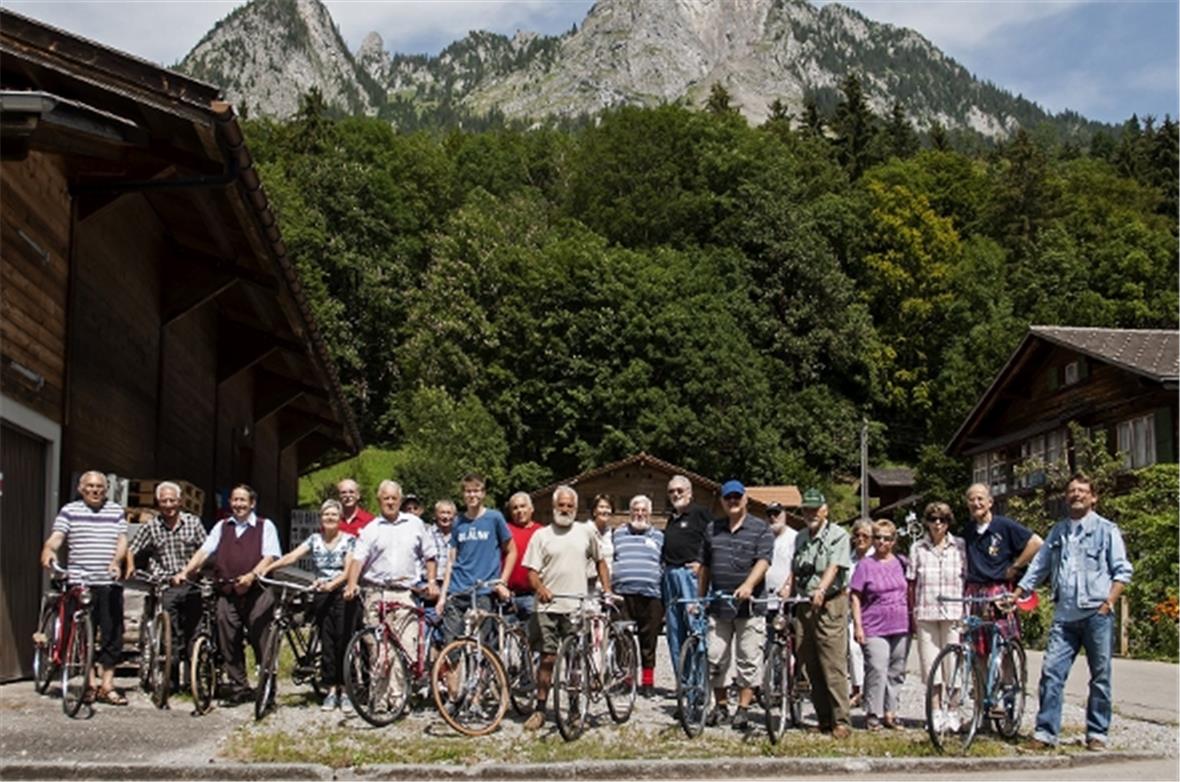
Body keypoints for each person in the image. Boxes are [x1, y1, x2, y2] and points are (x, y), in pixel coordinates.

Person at [1015, 474, 1133, 751]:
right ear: (1066, 498)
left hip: (1096, 615)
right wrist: (1020, 591)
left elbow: (1123, 570)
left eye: (1082, 491)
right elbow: (1039, 565)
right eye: (1072, 491)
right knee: (1051, 674)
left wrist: (1108, 604)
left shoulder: (1107, 530)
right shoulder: (1058, 532)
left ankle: (1097, 734)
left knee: (1100, 676)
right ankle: (1045, 734)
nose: (1076, 495)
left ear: (1093, 497)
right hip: (1064, 616)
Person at [174, 483, 281, 702]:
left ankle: (267, 686)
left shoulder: (264, 526)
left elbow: (270, 556)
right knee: (228, 639)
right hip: (227, 590)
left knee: (261, 638)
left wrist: (251, 576)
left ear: (252, 503)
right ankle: (239, 685)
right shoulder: (222, 526)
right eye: (235, 500)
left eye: (243, 500)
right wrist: (186, 571)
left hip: (257, 591)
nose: (238, 504)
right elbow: (205, 550)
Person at [521, 484, 610, 731]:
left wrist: (607, 590)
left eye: (570, 505)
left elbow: (601, 561)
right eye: (562, 505)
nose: (566, 509)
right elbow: (531, 572)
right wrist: (541, 589)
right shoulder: (542, 535)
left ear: (576, 508)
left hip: (575, 606)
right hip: (547, 607)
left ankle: (573, 708)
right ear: (554, 507)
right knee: (547, 658)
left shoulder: (585, 532)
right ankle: (540, 709)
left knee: (574, 660)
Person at [343, 480, 439, 703]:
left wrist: (432, 581)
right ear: (379, 500)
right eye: (386, 498)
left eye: (394, 498)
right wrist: (351, 584)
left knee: (405, 645)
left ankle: (399, 698)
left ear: (400, 500)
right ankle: (379, 697)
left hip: (404, 592)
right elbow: (358, 559)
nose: (390, 502)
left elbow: (430, 555)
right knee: (378, 647)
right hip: (376, 592)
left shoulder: (415, 524)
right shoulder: (371, 529)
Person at [40, 471, 128, 705]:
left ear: (105, 489)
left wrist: (116, 562)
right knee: (80, 634)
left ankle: (107, 685)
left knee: (112, 633)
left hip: (108, 580)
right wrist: (49, 549)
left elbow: (122, 540)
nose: (95, 490)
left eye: (100, 486)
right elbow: (57, 536)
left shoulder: (116, 511)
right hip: (79, 580)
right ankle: (89, 685)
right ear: (81, 488)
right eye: (90, 486)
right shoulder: (70, 510)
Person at [262, 498, 356, 711]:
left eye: (333, 514)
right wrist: (268, 568)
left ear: (340, 518)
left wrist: (332, 584)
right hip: (321, 594)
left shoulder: (349, 540)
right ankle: (331, 689)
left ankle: (346, 690)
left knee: (343, 641)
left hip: (341, 594)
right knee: (327, 642)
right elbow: (292, 556)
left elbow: (349, 570)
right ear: (321, 519)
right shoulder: (314, 539)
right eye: (326, 515)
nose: (330, 518)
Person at [699, 480, 773, 731]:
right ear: (722, 501)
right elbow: (705, 566)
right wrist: (701, 598)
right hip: (719, 605)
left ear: (745, 499)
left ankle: (742, 709)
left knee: (748, 658)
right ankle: (720, 707)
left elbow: (763, 561)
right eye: (728, 498)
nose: (733, 501)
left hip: (749, 607)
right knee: (715, 656)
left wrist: (749, 585)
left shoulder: (760, 528)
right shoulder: (712, 529)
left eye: (737, 497)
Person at [963, 482, 1043, 694]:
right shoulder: (968, 531)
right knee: (978, 650)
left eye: (980, 498)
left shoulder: (1004, 526)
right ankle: (981, 703)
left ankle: (1007, 692)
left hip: (998, 590)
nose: (976, 503)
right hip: (975, 592)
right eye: (971, 499)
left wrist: (1016, 566)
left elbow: (1036, 542)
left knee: (1004, 645)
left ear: (990, 502)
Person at [125, 480, 207, 683]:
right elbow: (131, 548)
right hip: (166, 583)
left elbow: (206, 549)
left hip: (191, 582)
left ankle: (192, 678)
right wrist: (129, 566)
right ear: (158, 503)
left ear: (179, 502)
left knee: (193, 630)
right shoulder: (152, 526)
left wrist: (195, 571)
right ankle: (171, 679)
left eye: (172, 500)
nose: (168, 505)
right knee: (171, 634)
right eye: (164, 501)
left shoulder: (193, 523)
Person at [789, 488, 852, 738]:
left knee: (832, 663)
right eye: (806, 509)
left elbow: (835, 566)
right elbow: (797, 566)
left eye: (815, 509)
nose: (810, 513)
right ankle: (824, 718)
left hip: (829, 603)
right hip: (804, 603)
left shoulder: (838, 535)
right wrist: (787, 586)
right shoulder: (800, 536)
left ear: (825, 510)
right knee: (809, 661)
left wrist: (822, 589)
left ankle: (841, 720)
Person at [907, 501, 967, 732]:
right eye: (933, 519)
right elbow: (911, 584)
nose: (938, 524)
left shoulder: (959, 546)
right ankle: (934, 712)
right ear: (927, 522)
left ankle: (952, 712)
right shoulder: (917, 548)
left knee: (953, 665)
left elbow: (967, 577)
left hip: (953, 613)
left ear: (949, 522)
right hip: (926, 611)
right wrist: (912, 613)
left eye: (942, 519)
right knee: (931, 666)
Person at [438, 473, 515, 644]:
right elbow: (451, 561)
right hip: (458, 590)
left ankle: (480, 670)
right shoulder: (458, 522)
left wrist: (502, 581)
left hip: (483, 591)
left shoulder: (494, 518)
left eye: (476, 491)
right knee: (450, 646)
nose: (472, 495)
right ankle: (453, 670)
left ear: (483, 493)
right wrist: (443, 595)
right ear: (463, 494)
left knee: (480, 645)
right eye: (468, 491)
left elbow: (511, 551)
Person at [850, 519, 910, 731]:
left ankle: (891, 712)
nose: (882, 542)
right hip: (874, 624)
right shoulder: (865, 565)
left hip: (900, 623)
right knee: (876, 667)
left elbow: (909, 590)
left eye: (887, 538)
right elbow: (855, 596)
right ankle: (872, 712)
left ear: (894, 541)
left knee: (896, 670)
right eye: (877, 537)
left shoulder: (901, 562)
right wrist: (858, 626)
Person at [611, 494, 664, 697]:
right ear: (630, 512)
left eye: (643, 510)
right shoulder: (618, 534)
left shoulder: (659, 536)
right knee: (622, 639)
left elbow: (664, 564)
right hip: (622, 595)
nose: (639, 514)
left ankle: (648, 682)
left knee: (648, 640)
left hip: (651, 595)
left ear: (649, 513)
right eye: (635, 510)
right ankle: (627, 679)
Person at [660, 475, 712, 679]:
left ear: (689, 493)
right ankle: (684, 688)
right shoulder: (671, 518)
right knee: (675, 634)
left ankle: (699, 687)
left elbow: (713, 540)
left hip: (690, 576)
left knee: (696, 628)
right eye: (671, 491)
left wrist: (702, 563)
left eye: (679, 490)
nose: (675, 494)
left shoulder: (700, 513)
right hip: (670, 575)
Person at [846, 517, 874, 708]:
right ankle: (857, 689)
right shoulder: (848, 559)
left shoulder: (876, 557)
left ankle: (871, 690)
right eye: (857, 535)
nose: (861, 539)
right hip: (850, 611)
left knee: (873, 653)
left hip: (873, 610)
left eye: (865, 535)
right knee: (853, 649)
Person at [505, 492, 543, 622]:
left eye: (523, 506)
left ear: (531, 509)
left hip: (532, 596)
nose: (519, 511)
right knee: (505, 639)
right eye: (515, 508)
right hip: (508, 596)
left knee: (532, 639)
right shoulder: (505, 531)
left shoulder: (542, 532)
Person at [764, 502, 798, 616]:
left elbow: (797, 566)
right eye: (769, 514)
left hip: (787, 600)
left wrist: (788, 587)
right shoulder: (763, 538)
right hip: (765, 599)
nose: (773, 517)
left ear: (784, 515)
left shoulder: (795, 538)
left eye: (776, 513)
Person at [586, 494, 615, 589]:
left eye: (608, 507)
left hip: (607, 586)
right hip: (588, 586)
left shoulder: (611, 533)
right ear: (594, 512)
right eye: (601, 507)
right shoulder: (585, 531)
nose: (605, 510)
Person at [429, 499, 456, 592]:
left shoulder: (458, 535)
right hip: (432, 583)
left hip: (453, 583)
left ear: (454, 516)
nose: (445, 517)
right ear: (436, 515)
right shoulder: (427, 534)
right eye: (442, 513)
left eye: (449, 513)